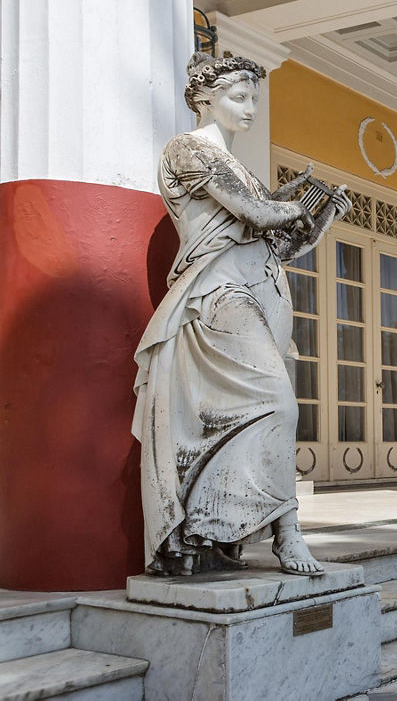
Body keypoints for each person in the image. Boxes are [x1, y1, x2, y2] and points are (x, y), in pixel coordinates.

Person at [132, 52, 349, 576]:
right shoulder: (187, 150)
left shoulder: (241, 170)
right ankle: (288, 534)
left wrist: (321, 220)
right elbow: (259, 215)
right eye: (238, 96)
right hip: (219, 294)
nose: (250, 107)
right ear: (205, 99)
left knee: (250, 417)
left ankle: (215, 523)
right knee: (278, 404)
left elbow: (278, 243)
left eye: (255, 97)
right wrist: (294, 204)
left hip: (263, 293)